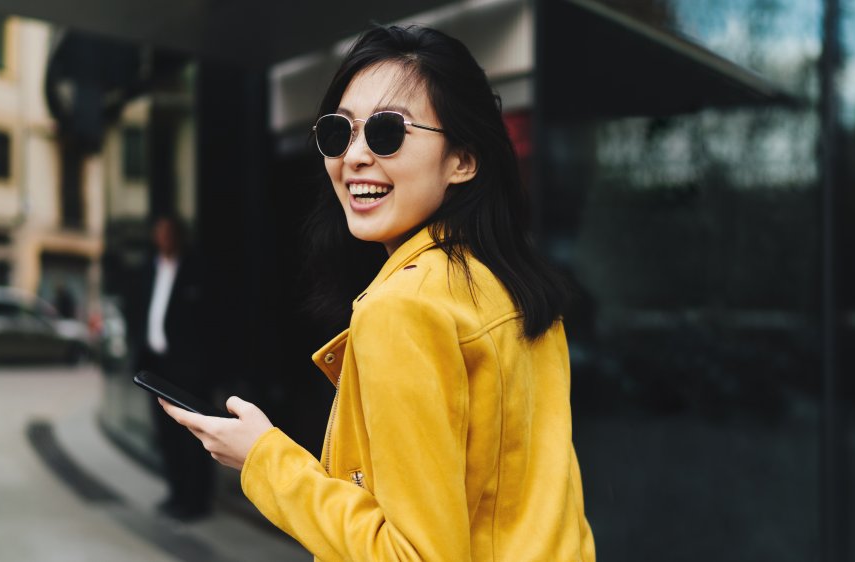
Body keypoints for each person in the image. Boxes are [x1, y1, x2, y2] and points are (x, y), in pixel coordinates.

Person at [160, 25, 596, 560]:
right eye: (338, 133)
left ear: (463, 159)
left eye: (388, 132)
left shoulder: (403, 310)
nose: (356, 157)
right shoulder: (517, 290)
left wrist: (262, 459)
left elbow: (411, 555)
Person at [129, 214, 213, 520]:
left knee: (192, 437)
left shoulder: (196, 270)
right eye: (159, 232)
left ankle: (197, 501)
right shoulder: (148, 270)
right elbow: (138, 311)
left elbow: (211, 322)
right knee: (166, 435)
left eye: (169, 232)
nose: (164, 238)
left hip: (188, 369)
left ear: (178, 236)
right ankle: (176, 493)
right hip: (157, 367)